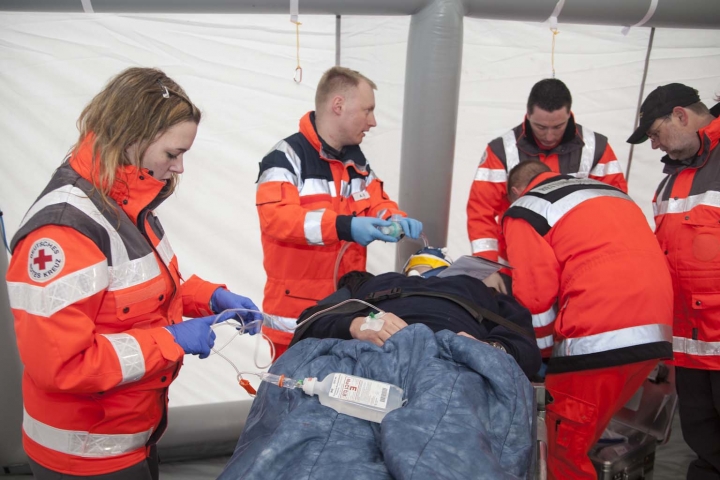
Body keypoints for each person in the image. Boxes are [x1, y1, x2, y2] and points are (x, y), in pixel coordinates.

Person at [6, 67, 261, 480]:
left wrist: (207, 296)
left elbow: (136, 290)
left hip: (132, 440)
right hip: (85, 458)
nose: (179, 168)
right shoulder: (62, 232)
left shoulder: (125, 202)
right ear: (132, 139)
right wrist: (170, 341)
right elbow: (63, 366)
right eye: (172, 154)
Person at [501, 161, 673, 479]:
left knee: (563, 451)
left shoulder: (526, 209)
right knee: (584, 435)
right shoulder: (608, 192)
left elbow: (535, 298)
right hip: (654, 331)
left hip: (597, 337)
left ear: (514, 191)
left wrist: (540, 357)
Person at [256, 66, 423, 329]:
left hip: (347, 308)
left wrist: (393, 219)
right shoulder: (286, 157)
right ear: (338, 105)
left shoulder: (356, 161)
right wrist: (344, 227)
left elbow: (376, 203)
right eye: (368, 110)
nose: (373, 121)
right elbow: (276, 219)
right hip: (297, 317)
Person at [627, 83, 720, 480]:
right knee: (707, 448)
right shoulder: (670, 179)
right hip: (691, 349)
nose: (653, 146)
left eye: (655, 134)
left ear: (681, 116)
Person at [466, 78, 628, 293]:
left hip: (579, 267)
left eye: (558, 127)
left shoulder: (596, 148)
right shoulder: (501, 151)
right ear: (527, 115)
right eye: (541, 127)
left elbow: (616, 209)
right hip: (517, 270)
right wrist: (485, 268)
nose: (549, 136)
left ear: (569, 115)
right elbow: (481, 212)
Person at [291, 247, 541, 379]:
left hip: (453, 366)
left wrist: (491, 349)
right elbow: (308, 323)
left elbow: (526, 347)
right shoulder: (367, 284)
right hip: (364, 359)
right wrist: (355, 326)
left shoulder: (479, 290)